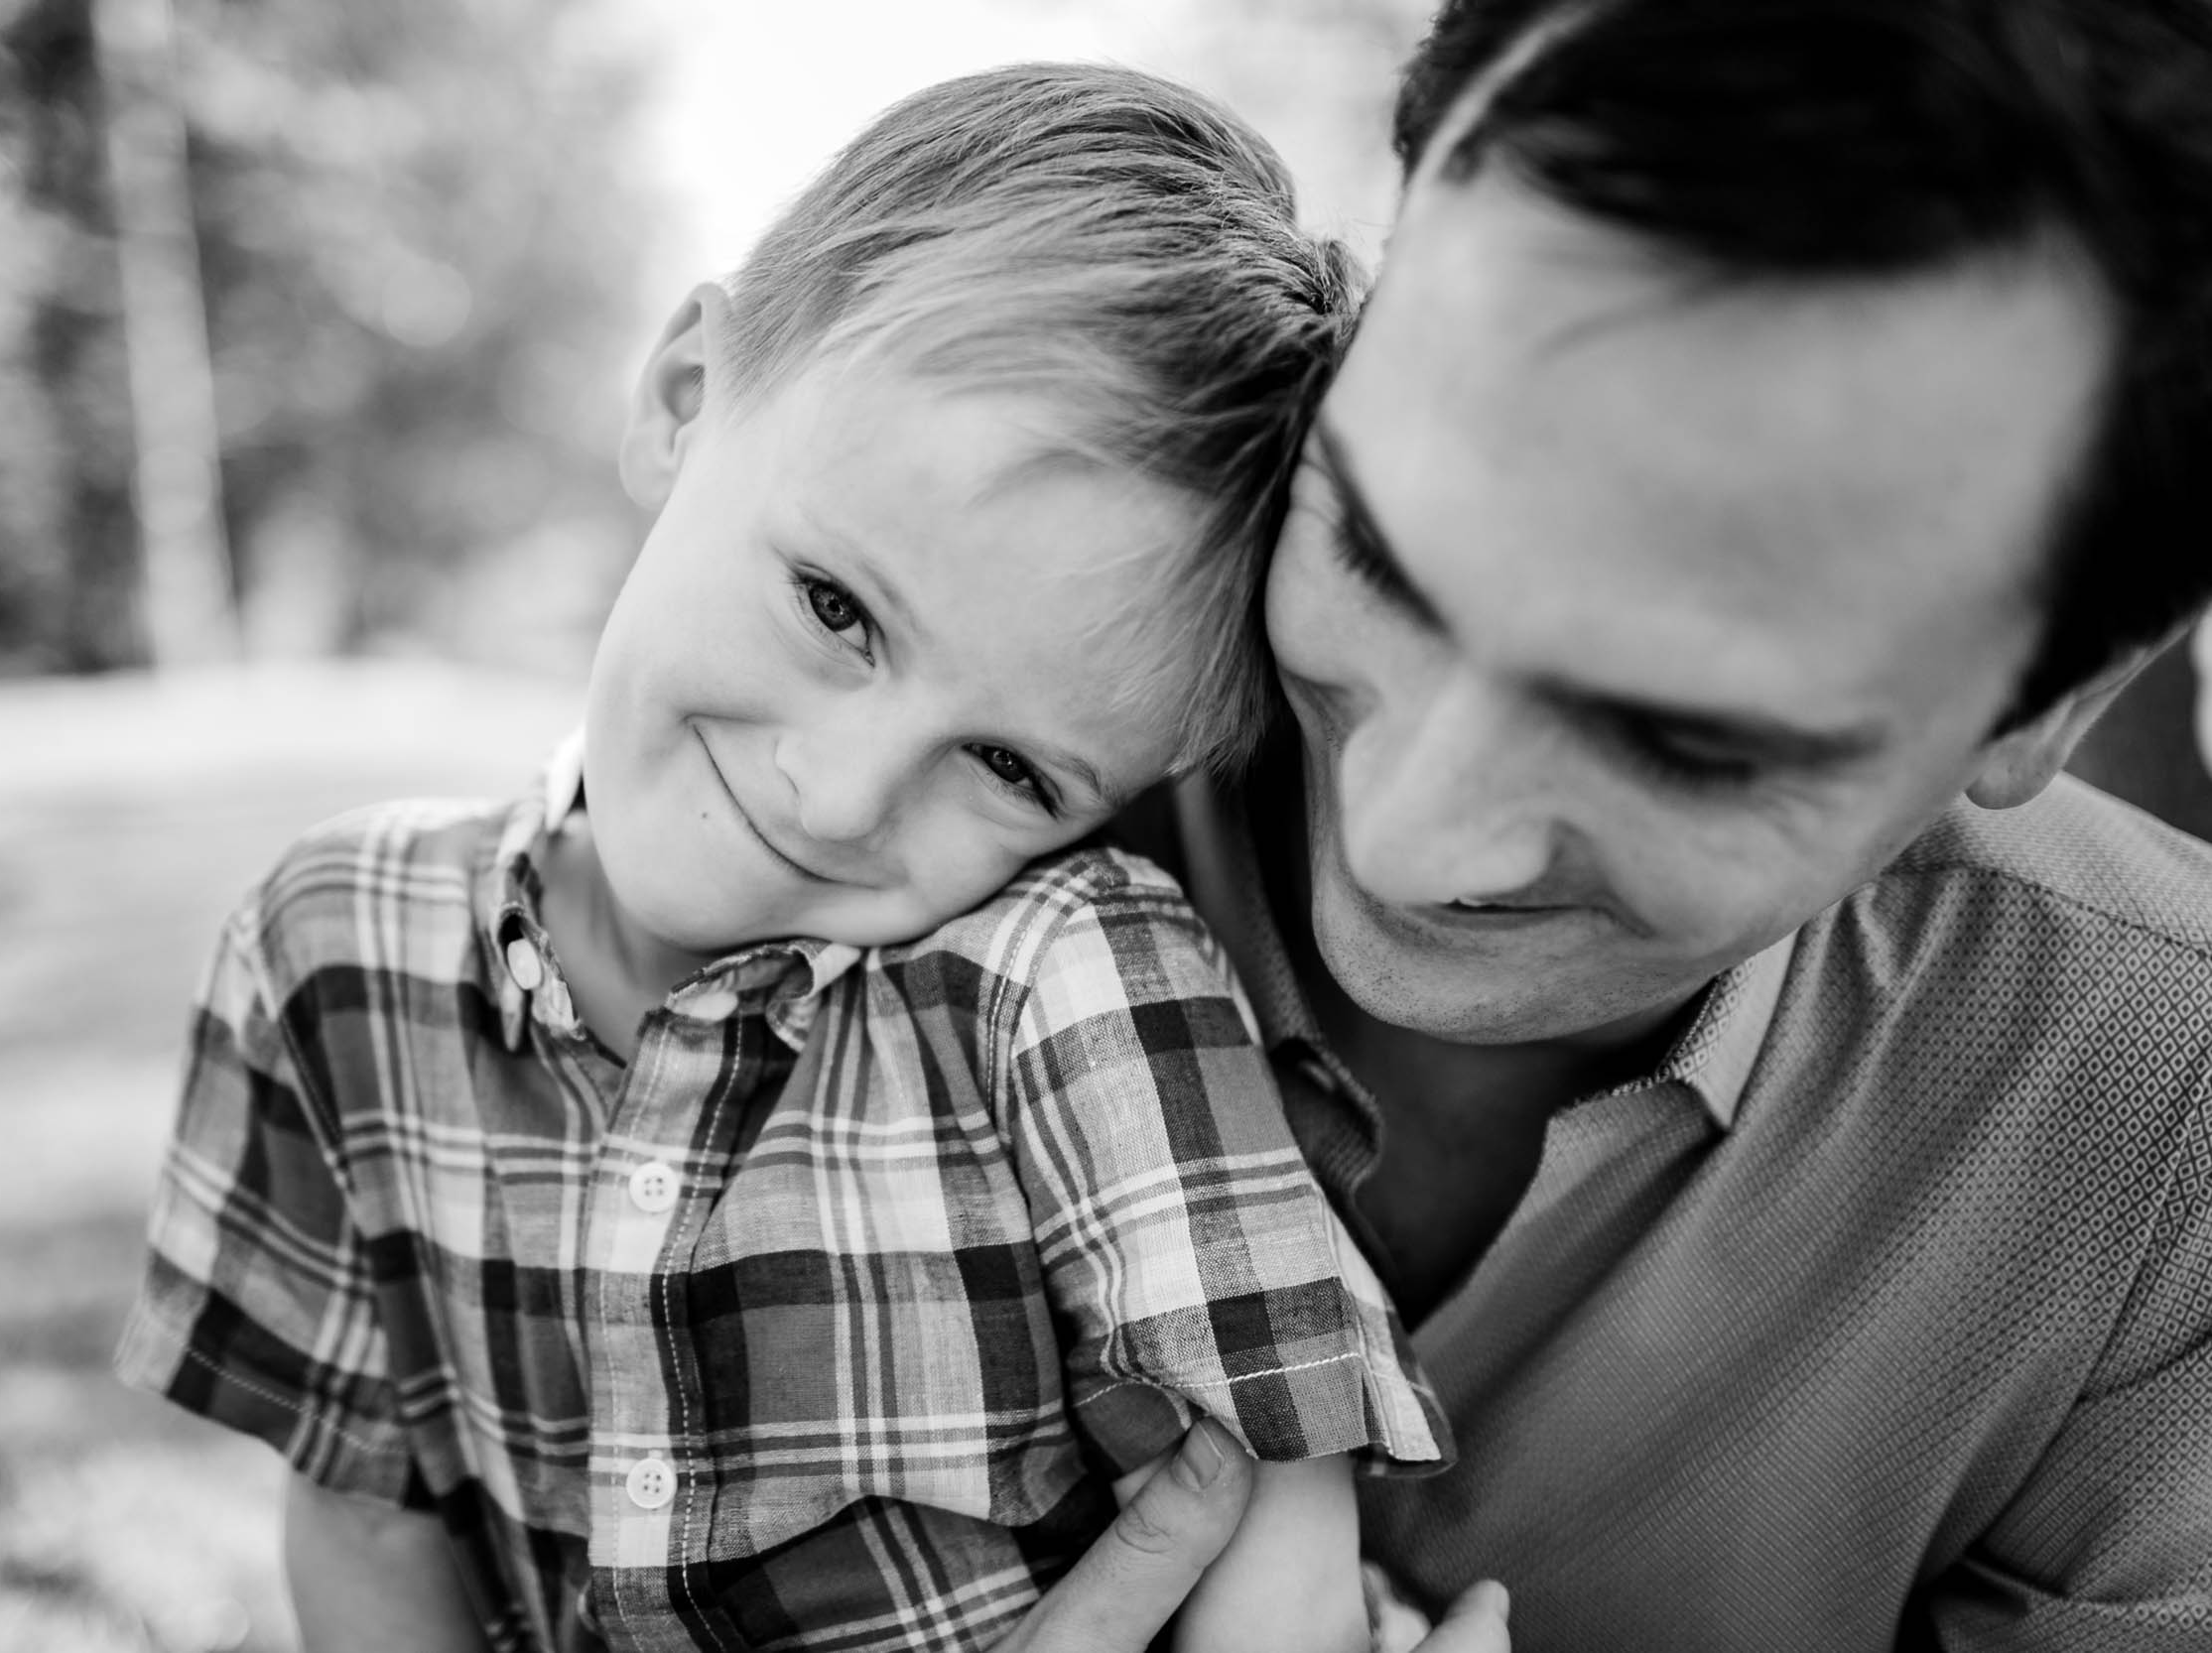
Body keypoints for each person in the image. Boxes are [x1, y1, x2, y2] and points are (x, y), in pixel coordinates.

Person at [117, 64, 1475, 1653]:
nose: (838, 801)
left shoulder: (1071, 982)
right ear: (687, 396)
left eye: (1011, 766)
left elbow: (1268, 1486)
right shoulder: (329, 950)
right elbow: (361, 1508)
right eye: (836, 607)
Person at [1006, 1, 2212, 1648]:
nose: (1409, 835)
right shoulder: (913, 756)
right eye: (1375, 555)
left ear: (2045, 708)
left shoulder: (2171, 1131)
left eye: (1680, 739)